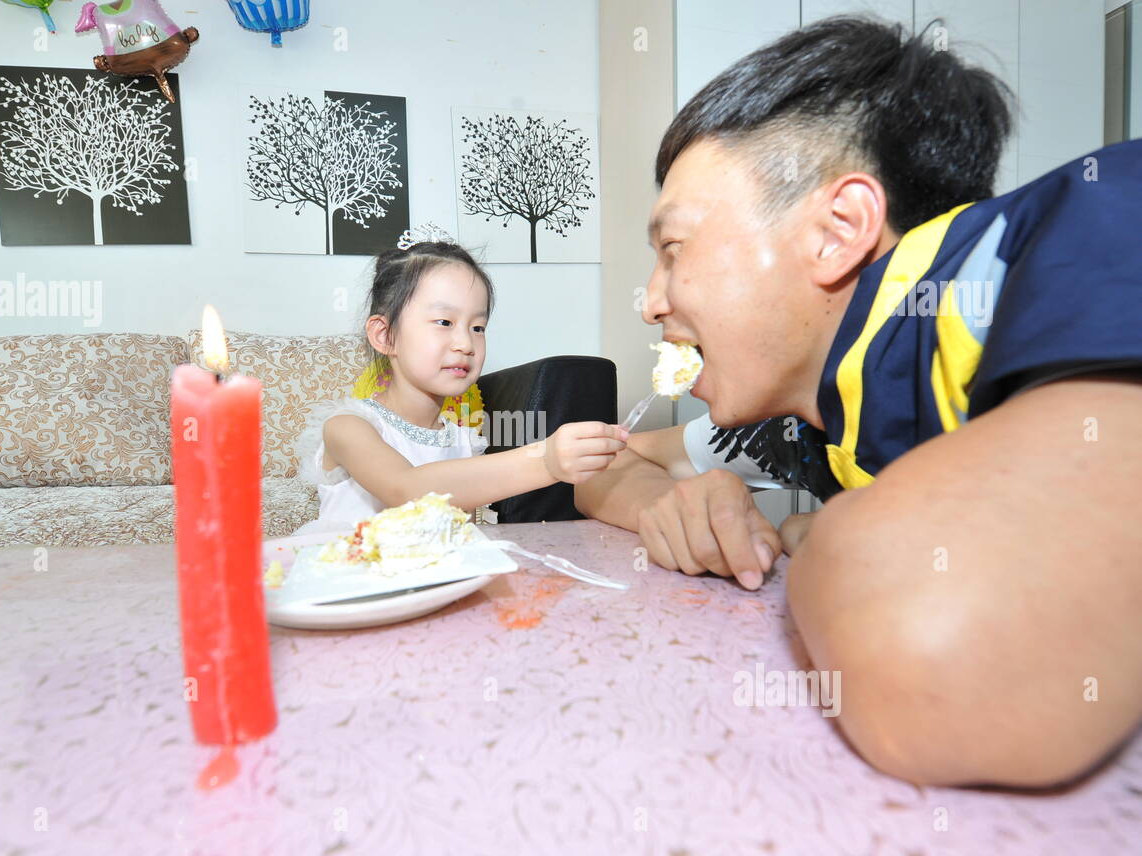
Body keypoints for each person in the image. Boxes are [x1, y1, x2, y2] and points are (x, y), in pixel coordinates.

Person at [578, 16, 1142, 788]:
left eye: (673, 249)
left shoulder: (1091, 224)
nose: (649, 302)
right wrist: (673, 507)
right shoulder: (820, 399)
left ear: (838, 229)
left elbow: (936, 660)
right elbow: (604, 466)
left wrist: (827, 530)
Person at [295, 233, 629, 535]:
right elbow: (406, 491)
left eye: (478, 327)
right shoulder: (348, 427)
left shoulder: (464, 440)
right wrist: (547, 460)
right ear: (385, 336)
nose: (465, 344)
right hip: (349, 583)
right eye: (444, 322)